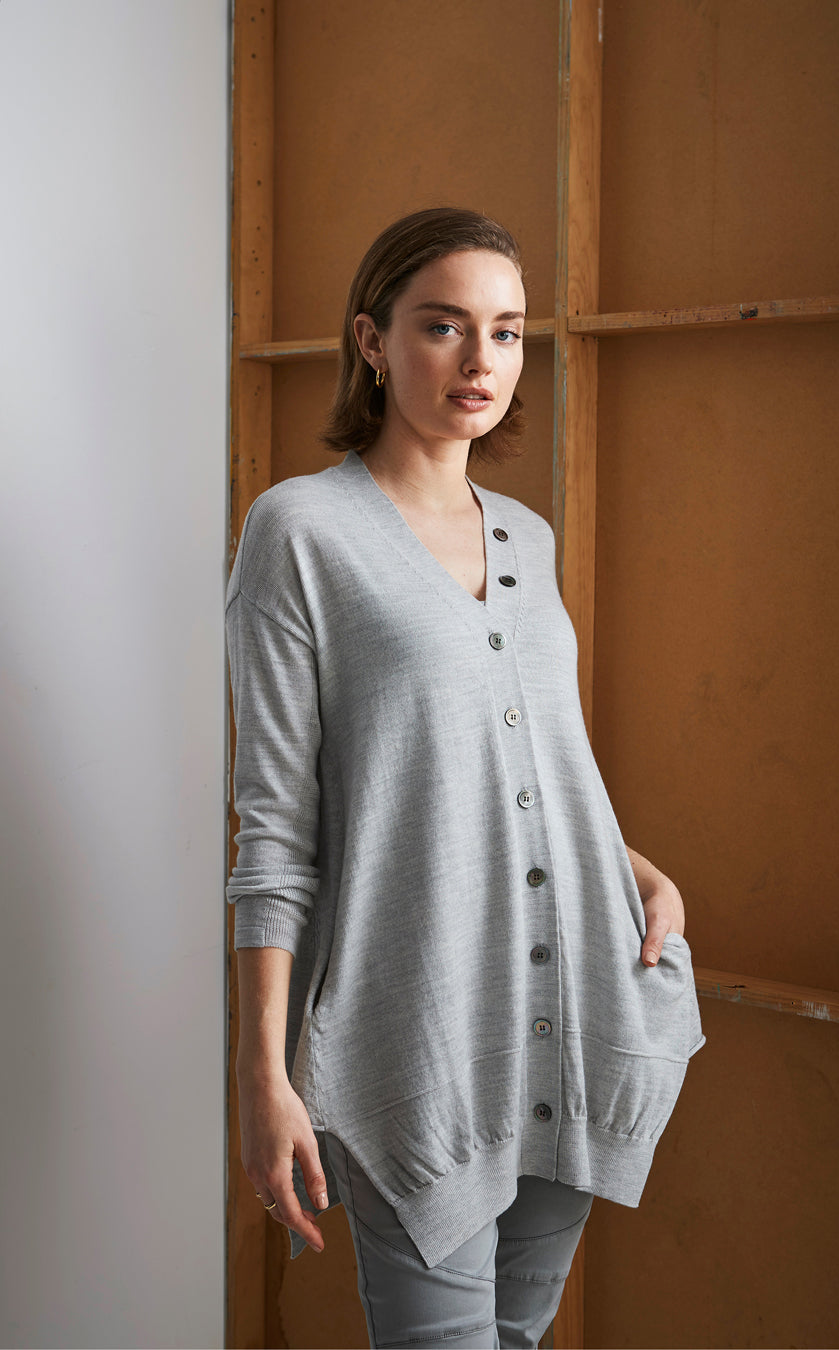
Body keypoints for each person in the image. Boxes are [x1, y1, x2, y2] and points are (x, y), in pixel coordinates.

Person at [225, 206, 705, 1349]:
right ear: (372, 340)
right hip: (419, 1029)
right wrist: (263, 1072)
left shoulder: (528, 540)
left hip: (570, 1009)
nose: (480, 359)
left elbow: (529, 758)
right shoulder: (300, 532)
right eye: (443, 326)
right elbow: (275, 831)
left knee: (518, 1339)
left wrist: (633, 866)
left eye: (507, 331)